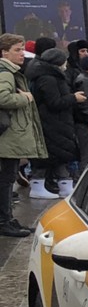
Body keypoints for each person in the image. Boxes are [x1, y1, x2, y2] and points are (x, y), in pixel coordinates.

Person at [0, 33, 49, 238]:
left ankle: (7, 219)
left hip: (10, 136)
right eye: (17, 50)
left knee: (7, 178)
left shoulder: (11, 71)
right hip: (7, 136)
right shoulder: (5, 73)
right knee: (5, 180)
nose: (22, 54)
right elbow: (3, 98)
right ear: (4, 52)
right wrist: (25, 97)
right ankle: (4, 221)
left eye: (22, 49)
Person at [27, 47, 84, 199]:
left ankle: (65, 186)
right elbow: (54, 102)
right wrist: (74, 98)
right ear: (58, 62)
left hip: (57, 123)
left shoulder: (50, 76)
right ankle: (38, 186)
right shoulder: (48, 78)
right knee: (49, 155)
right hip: (51, 123)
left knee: (59, 155)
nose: (66, 64)